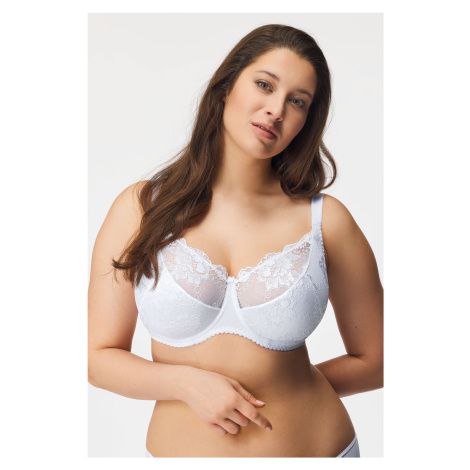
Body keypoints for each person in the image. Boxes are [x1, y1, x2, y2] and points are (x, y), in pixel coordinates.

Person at [88, 24, 383, 458]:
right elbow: (97, 357)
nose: (276, 110)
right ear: (226, 87)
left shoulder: (326, 221)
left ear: (306, 121)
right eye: (264, 85)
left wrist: (289, 386)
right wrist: (184, 383)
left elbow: (379, 360)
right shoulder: (141, 208)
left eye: (297, 101)